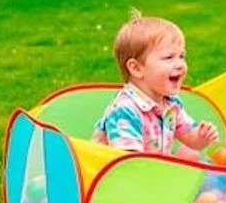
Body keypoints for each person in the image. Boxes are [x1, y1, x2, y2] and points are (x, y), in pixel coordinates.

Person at [93, 12, 219, 154]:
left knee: (191, 154)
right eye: (169, 57)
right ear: (136, 68)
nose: (180, 64)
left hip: (153, 170)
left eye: (182, 56)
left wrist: (201, 137)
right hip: (124, 174)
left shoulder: (170, 104)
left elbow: (190, 137)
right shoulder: (125, 110)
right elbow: (128, 164)